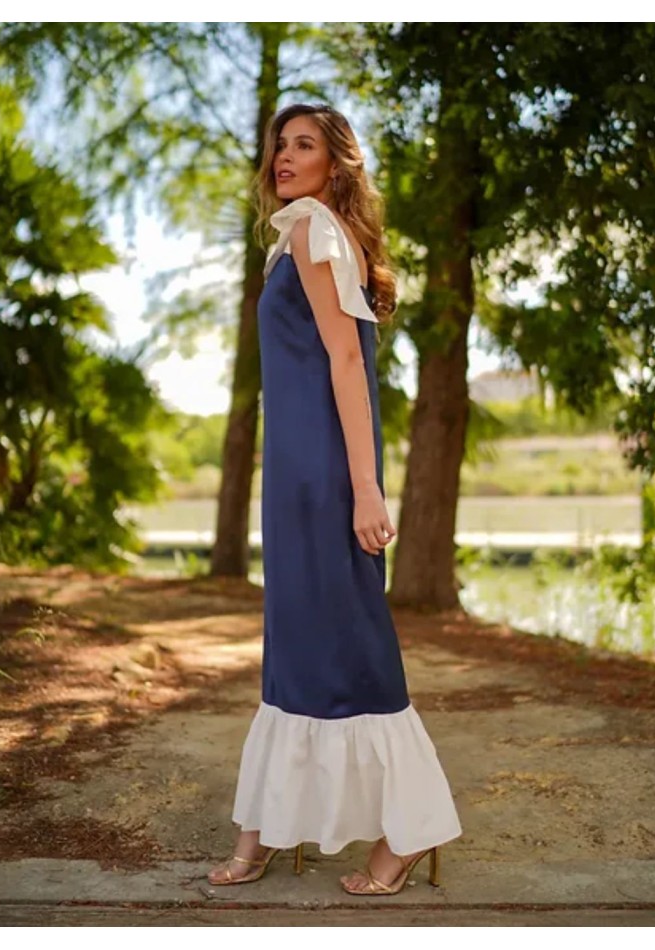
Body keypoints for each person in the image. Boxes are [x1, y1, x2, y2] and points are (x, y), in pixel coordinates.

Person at [207, 103, 462, 896]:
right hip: (293, 480)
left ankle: (408, 834)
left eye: (305, 144)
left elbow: (348, 366)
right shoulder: (295, 237)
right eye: (280, 144)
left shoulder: (316, 229)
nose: (285, 156)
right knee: (292, 648)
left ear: (335, 164)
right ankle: (262, 833)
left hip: (325, 478)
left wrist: (365, 490)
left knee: (352, 646)